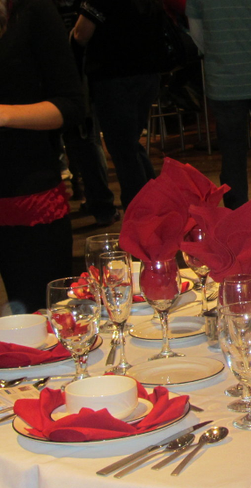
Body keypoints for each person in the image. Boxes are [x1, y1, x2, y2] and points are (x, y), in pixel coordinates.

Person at [0, 0, 85, 313]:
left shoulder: (31, 10)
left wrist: (4, 115)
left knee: (43, 324)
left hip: (25, 195)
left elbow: (72, 105)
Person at [186, 0, 251, 209]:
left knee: (232, 156)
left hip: (224, 80)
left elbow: (197, 33)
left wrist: (220, 51)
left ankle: (236, 219)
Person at [72, 0, 165, 210]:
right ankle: (157, 207)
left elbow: (81, 34)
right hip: (148, 75)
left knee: (123, 150)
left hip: (114, 76)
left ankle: (140, 214)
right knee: (129, 144)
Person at [54, 0, 118, 226]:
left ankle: (100, 204)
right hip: (77, 67)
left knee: (83, 137)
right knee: (82, 138)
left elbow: (81, 34)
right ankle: (96, 201)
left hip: (74, 67)